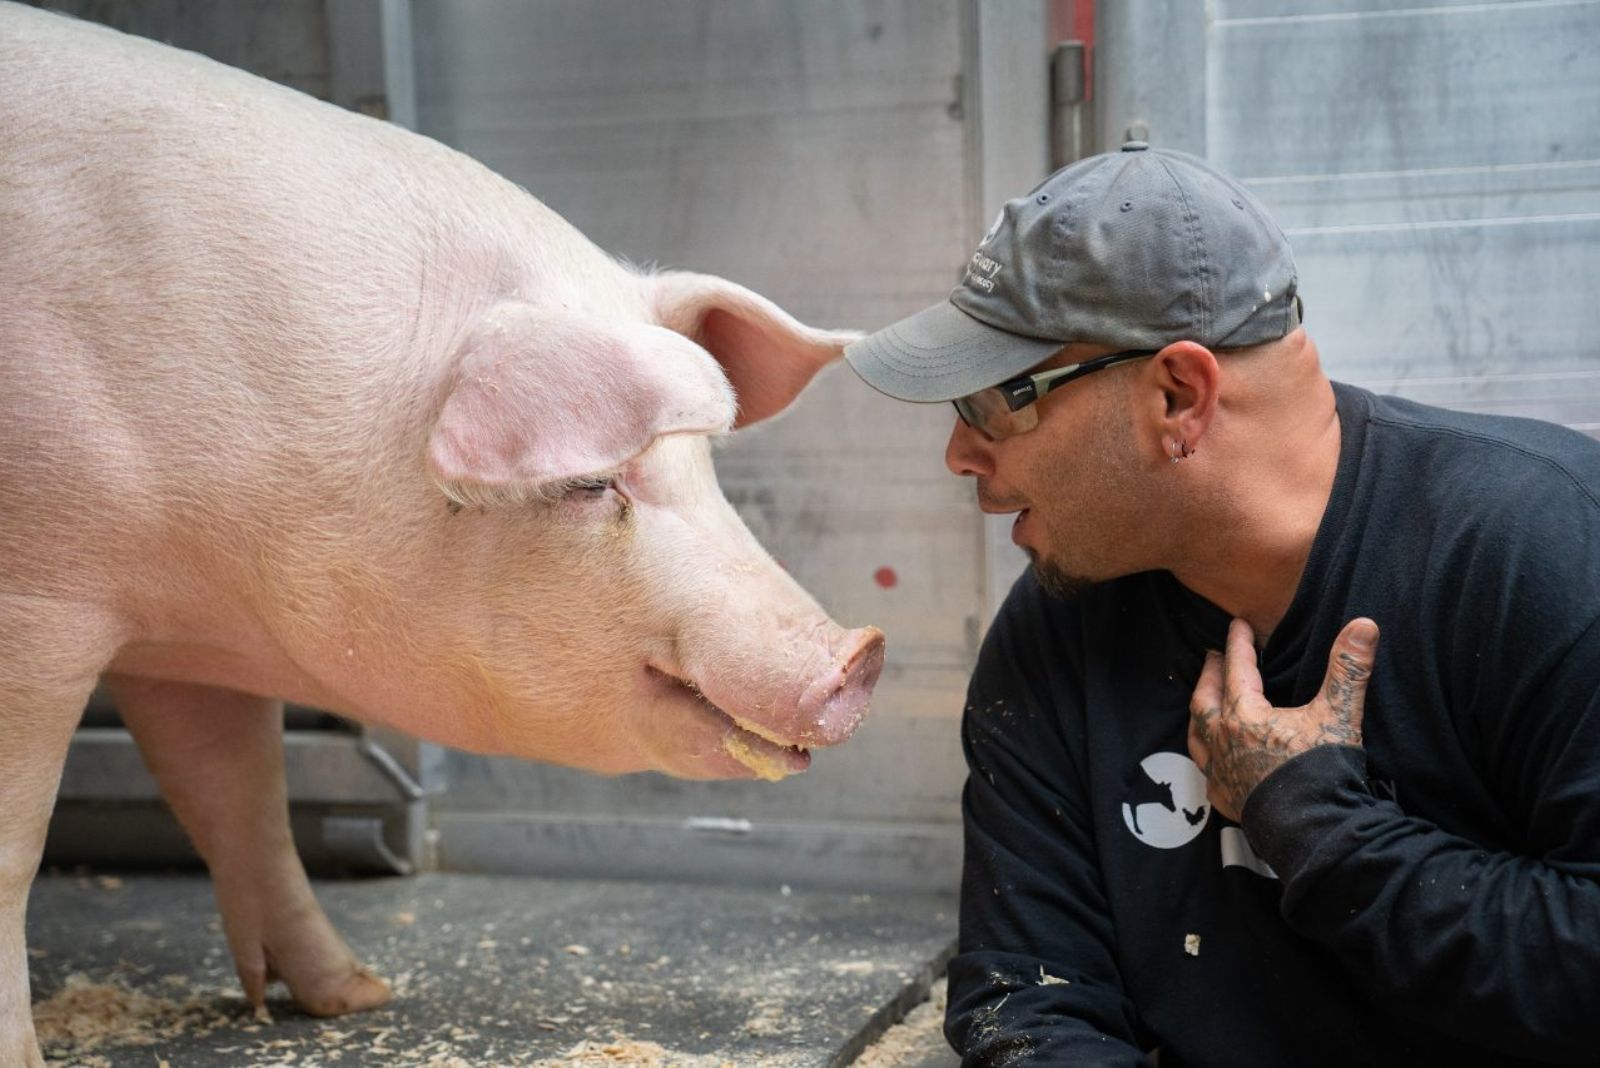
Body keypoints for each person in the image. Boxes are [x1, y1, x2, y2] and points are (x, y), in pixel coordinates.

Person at [843, 141, 1600, 1065]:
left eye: (993, 406)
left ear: (1179, 395)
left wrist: (1322, 828)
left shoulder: (1547, 551)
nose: (961, 456)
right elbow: (1030, 998)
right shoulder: (1060, 627)